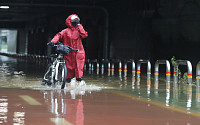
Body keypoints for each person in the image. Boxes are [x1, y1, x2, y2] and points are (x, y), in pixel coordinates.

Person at [48, 14, 88, 86]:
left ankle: (78, 90)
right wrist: (53, 41)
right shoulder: (65, 31)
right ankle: (67, 90)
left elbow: (84, 35)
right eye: (73, 20)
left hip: (78, 53)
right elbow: (58, 35)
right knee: (68, 73)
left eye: (76, 20)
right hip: (68, 53)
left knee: (79, 71)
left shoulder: (79, 30)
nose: (75, 22)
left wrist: (79, 25)